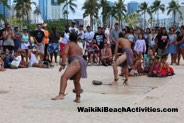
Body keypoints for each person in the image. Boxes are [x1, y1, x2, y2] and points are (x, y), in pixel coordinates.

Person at [51, 32, 87, 103]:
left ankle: (61, 94)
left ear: (69, 38)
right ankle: (78, 98)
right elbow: (81, 54)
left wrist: (63, 64)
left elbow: (65, 53)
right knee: (76, 81)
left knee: (64, 77)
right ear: (76, 39)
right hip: (83, 62)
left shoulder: (68, 44)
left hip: (75, 61)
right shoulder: (79, 47)